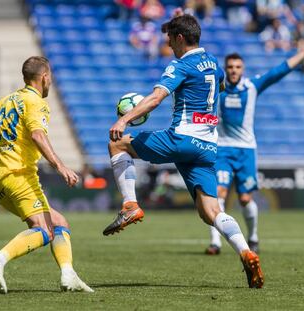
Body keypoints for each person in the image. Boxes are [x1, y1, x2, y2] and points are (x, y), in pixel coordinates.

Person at [102, 14, 264, 288]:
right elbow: (220, 87)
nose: (167, 43)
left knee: (117, 144)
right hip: (208, 147)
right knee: (209, 211)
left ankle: (130, 205)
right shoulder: (214, 63)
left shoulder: (180, 65)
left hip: (182, 138)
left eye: (169, 38)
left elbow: (155, 98)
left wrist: (124, 119)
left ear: (179, 38)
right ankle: (246, 252)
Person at [0, 56, 93, 294]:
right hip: (19, 175)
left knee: (59, 224)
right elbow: (38, 135)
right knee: (44, 230)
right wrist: (61, 166)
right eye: (51, 79)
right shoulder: (35, 102)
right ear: (45, 77)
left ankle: (68, 275)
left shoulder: (9, 100)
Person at [205, 41, 304, 256]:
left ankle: (253, 237)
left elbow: (278, 72)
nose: (233, 70)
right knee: (218, 195)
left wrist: (302, 55)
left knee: (245, 199)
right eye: (230, 67)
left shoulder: (252, 87)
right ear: (226, 69)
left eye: (237, 67)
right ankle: (215, 243)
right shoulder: (218, 89)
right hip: (223, 149)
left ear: (242, 69)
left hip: (246, 151)